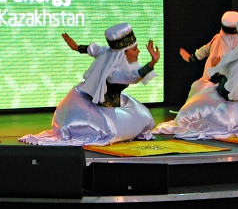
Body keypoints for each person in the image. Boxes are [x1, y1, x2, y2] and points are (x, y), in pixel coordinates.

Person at [19, 23, 160, 146]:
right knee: (113, 130)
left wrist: (77, 47)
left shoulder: (108, 53)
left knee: (143, 116)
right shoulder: (114, 72)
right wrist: (152, 63)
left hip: (115, 104)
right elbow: (132, 76)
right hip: (98, 108)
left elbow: (93, 49)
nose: (138, 52)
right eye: (134, 49)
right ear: (123, 53)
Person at [180, 11, 238, 98]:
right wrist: (192, 57)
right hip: (208, 81)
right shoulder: (218, 38)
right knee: (195, 91)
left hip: (225, 86)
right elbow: (206, 49)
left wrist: (219, 70)